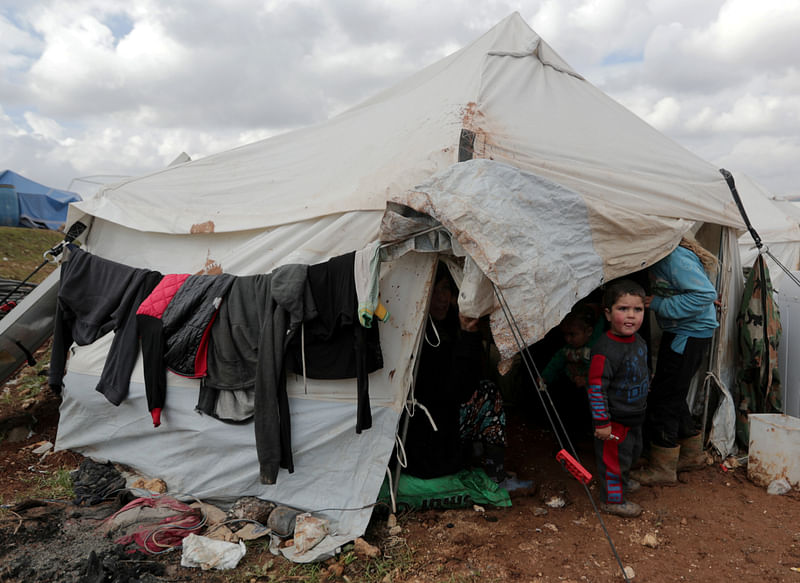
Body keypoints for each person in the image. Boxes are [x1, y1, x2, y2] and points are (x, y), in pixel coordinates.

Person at [402, 263, 531, 491]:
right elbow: (457, 389)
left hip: (434, 431)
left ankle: (478, 453)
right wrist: (469, 336)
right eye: (433, 291)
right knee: (488, 394)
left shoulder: (441, 324)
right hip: (427, 446)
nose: (442, 298)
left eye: (445, 289)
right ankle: (495, 473)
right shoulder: (424, 337)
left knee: (484, 387)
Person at [631, 236, 718, 486]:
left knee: (664, 398)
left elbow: (704, 294)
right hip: (685, 332)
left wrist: (658, 303)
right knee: (673, 391)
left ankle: (662, 466)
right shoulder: (666, 256)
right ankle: (691, 453)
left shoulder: (673, 257)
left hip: (688, 334)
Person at [587, 279, 649, 518]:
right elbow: (595, 387)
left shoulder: (639, 340)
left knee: (632, 453)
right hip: (614, 421)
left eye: (638, 309)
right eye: (623, 309)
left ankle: (622, 481)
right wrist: (602, 423)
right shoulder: (605, 349)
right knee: (613, 460)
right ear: (608, 313)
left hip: (635, 415)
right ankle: (612, 499)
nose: (631, 316)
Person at [540, 304, 603, 445]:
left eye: (573, 334)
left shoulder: (595, 347)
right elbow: (554, 365)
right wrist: (544, 377)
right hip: (572, 386)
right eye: (566, 335)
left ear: (588, 331)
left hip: (592, 391)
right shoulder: (566, 350)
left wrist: (587, 380)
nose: (568, 339)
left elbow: (600, 371)